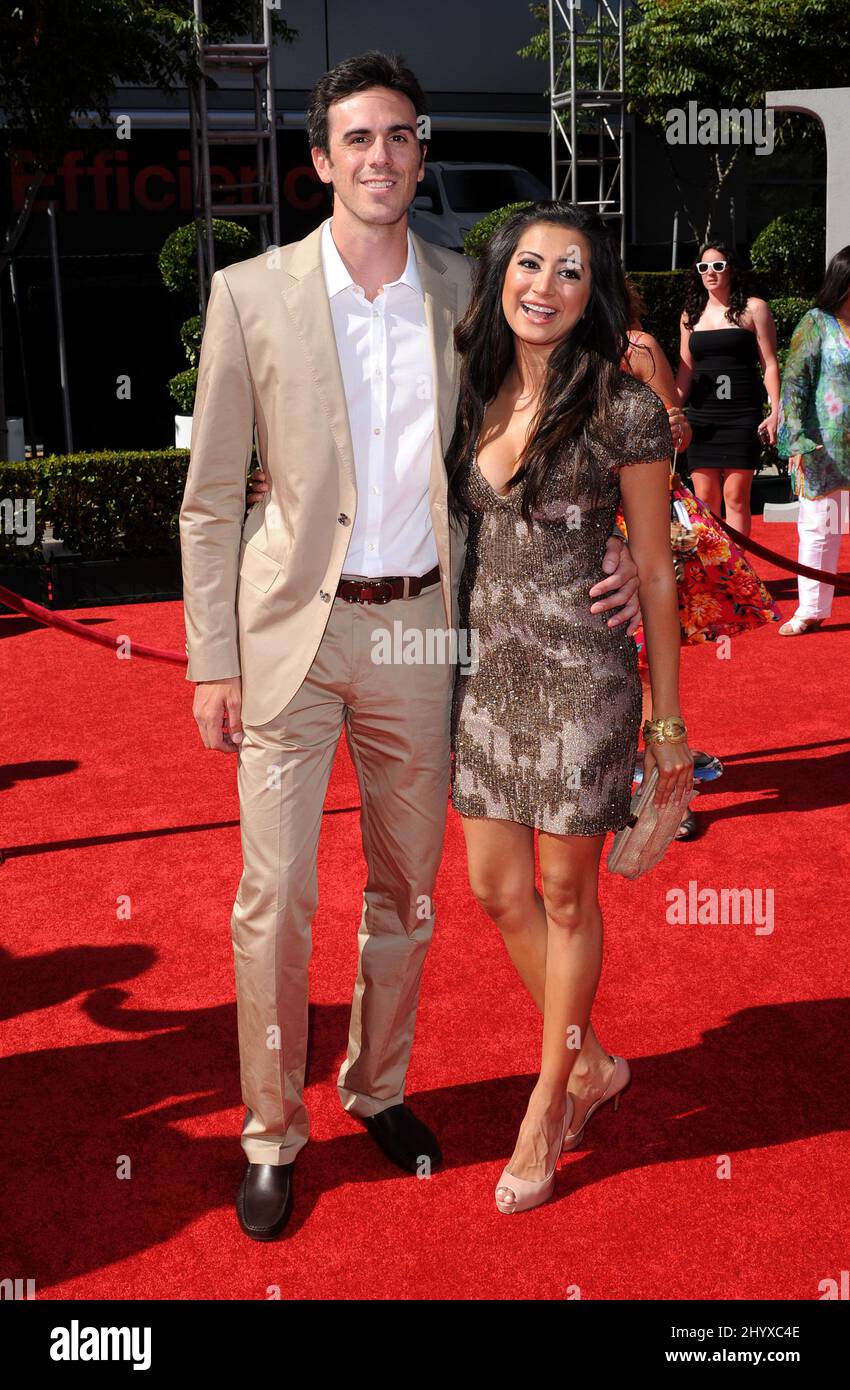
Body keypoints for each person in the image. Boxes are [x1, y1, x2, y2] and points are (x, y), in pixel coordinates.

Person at [180, 51, 641, 1242]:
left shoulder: (464, 295)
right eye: (357, 139)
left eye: (401, 136)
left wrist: (642, 567)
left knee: (408, 895)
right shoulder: (249, 294)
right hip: (291, 629)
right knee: (274, 898)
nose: (380, 156)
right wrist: (211, 656)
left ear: (417, 153)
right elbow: (210, 493)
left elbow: (577, 411)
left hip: (428, 630)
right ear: (322, 161)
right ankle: (273, 1133)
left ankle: (376, 1087)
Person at [446, 201, 694, 1214]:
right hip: (484, 674)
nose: (545, 287)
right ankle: (590, 1058)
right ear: (501, 275)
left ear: (593, 296)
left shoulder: (622, 408)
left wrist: (666, 729)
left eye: (571, 273)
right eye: (531, 265)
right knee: (494, 890)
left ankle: (549, 1099)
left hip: (584, 674)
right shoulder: (471, 389)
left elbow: (656, 569)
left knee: (562, 891)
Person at [676, 245, 780, 537]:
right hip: (702, 419)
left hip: (741, 416)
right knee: (705, 499)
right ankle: (712, 572)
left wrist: (775, 410)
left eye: (718, 266)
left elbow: (769, 363)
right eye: (703, 267)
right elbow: (685, 370)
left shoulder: (754, 308)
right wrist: (670, 409)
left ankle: (739, 574)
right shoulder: (690, 316)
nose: (710, 273)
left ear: (731, 268)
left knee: (736, 497)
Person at [775, 245, 850, 634]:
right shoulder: (816, 322)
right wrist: (795, 438)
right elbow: (795, 382)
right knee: (820, 526)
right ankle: (809, 609)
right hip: (824, 445)